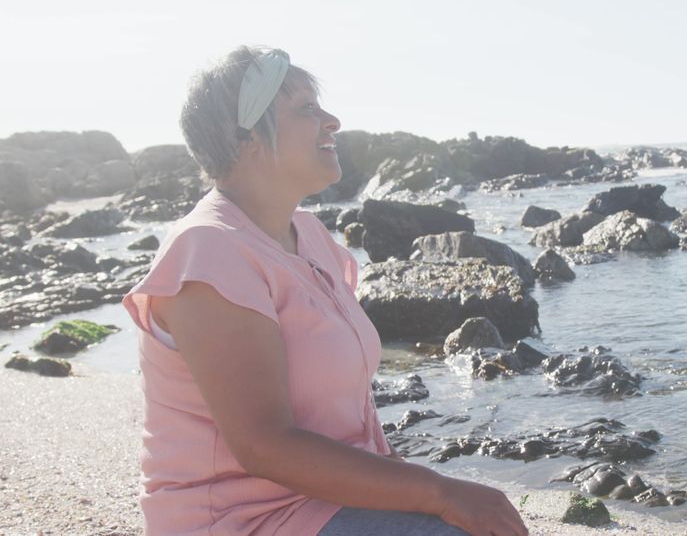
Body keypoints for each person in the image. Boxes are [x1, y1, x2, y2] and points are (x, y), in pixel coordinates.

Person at [123, 46, 528, 536]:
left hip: (324, 501)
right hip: (241, 520)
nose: (332, 121)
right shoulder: (208, 250)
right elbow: (263, 445)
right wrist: (439, 492)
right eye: (306, 110)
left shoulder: (309, 235)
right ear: (246, 136)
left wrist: (424, 495)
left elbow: (351, 419)